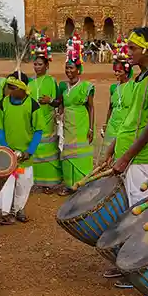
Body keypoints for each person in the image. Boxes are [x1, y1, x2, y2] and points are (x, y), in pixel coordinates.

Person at [106, 27, 148, 205]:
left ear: (147, 50)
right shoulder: (140, 78)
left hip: (140, 160)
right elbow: (131, 119)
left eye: (133, 48)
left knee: (139, 208)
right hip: (129, 156)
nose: (128, 52)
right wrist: (114, 147)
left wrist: (125, 157)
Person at [0, 71, 43, 224]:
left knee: (24, 183)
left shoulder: (33, 105)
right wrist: (6, 149)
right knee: (6, 183)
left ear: (22, 89)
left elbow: (38, 131)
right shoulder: (2, 104)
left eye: (12, 87)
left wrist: (29, 151)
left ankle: (18, 209)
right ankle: (6, 213)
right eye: (8, 87)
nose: (8, 90)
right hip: (8, 154)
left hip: (25, 155)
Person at [58, 42, 96, 195]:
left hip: (81, 124)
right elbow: (60, 104)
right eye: (66, 68)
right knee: (68, 154)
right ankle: (69, 185)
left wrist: (91, 128)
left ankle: (83, 184)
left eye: (71, 68)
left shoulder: (86, 87)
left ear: (78, 70)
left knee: (81, 155)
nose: (68, 71)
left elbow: (91, 108)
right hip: (67, 124)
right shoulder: (63, 87)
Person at [28, 36, 63, 193]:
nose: (37, 67)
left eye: (40, 64)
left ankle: (51, 182)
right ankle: (37, 181)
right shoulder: (29, 82)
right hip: (34, 121)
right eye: (35, 64)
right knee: (36, 151)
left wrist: (50, 100)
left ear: (47, 65)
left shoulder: (51, 81)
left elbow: (58, 103)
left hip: (48, 120)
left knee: (49, 152)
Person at [103, 37, 135, 150]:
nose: (116, 73)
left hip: (126, 127)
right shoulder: (113, 88)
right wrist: (106, 125)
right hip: (112, 126)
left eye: (119, 71)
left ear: (126, 72)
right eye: (115, 71)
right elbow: (110, 108)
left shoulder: (134, 86)